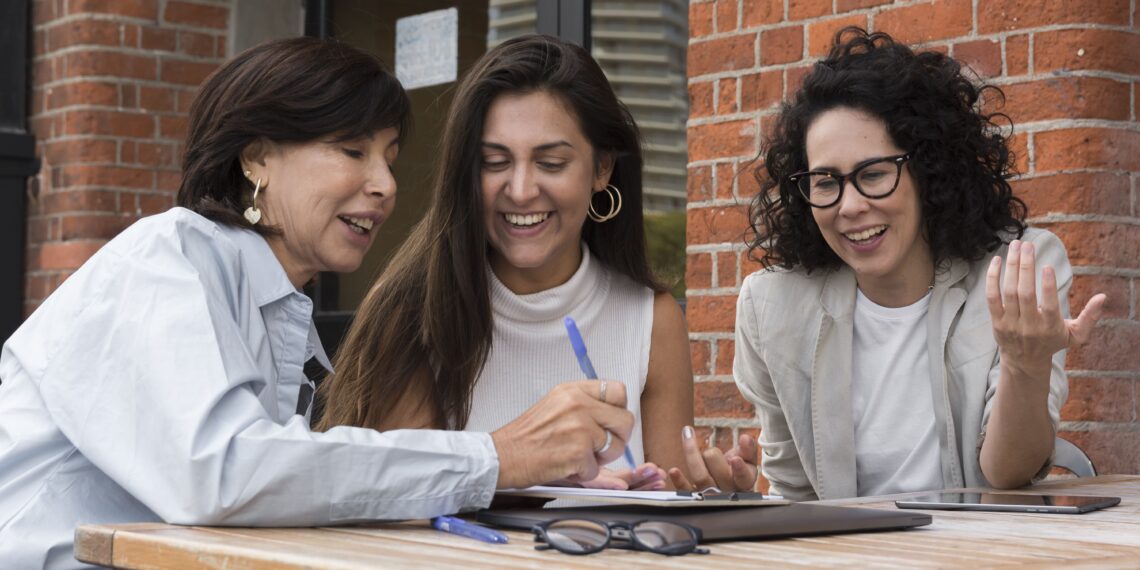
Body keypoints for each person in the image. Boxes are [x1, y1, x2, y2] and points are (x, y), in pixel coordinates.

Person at [0, 37, 634, 569]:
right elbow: (224, 476)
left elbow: (285, 494)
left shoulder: (282, 317)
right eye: (352, 151)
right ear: (258, 159)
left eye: (389, 158)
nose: (385, 185)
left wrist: (524, 488)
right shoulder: (166, 257)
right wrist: (499, 457)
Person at [673, 27, 1106, 499]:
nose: (849, 206)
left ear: (928, 170)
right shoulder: (772, 306)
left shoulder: (1017, 270)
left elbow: (1007, 475)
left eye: (874, 174)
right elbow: (795, 491)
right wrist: (740, 504)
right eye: (826, 182)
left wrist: (1025, 365)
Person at [317, 34, 692, 489]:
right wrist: (527, 480)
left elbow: (673, 507)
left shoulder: (652, 320)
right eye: (495, 162)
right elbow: (389, 498)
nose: (520, 190)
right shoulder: (410, 311)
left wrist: (717, 498)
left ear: (601, 169)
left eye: (551, 163)